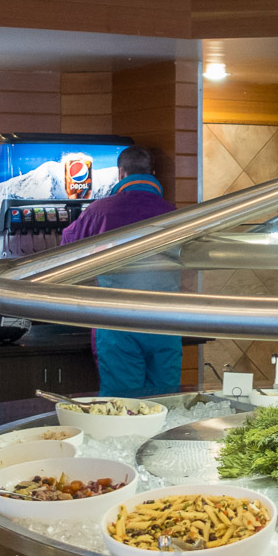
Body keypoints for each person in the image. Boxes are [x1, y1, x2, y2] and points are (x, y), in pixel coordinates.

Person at [58, 148, 181, 399]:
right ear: (153, 174)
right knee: (167, 405)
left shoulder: (99, 211)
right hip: (166, 321)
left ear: (121, 173)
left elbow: (65, 254)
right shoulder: (176, 214)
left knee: (122, 407)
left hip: (117, 320)